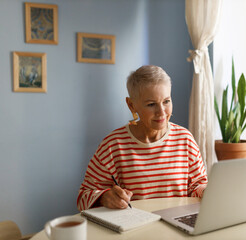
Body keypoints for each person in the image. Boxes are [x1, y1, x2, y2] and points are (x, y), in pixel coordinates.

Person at [77, 65, 207, 211]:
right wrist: (104, 197)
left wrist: (207, 191)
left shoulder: (185, 139)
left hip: (179, 226)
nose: (161, 112)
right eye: (151, 104)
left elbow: (197, 186)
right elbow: (83, 198)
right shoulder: (113, 145)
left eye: (166, 101)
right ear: (132, 105)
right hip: (134, 229)